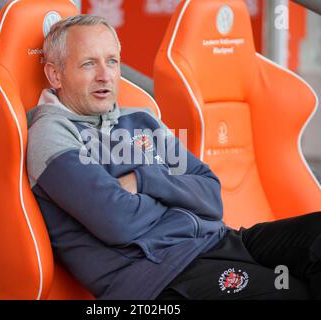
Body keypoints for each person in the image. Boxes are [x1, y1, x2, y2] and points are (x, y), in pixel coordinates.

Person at [26, 14, 321, 300]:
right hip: (159, 277)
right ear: (55, 74)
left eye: (112, 61)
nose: (105, 75)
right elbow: (118, 221)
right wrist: (177, 193)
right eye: (89, 64)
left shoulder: (141, 120)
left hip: (219, 241)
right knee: (290, 291)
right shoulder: (52, 134)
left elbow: (210, 195)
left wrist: (144, 180)